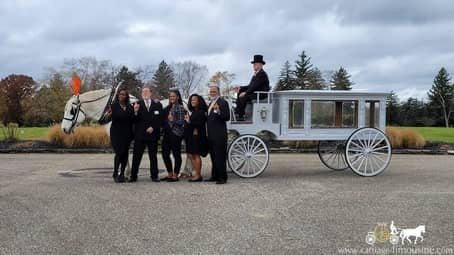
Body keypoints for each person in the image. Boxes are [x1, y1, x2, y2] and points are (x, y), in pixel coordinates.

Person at [130, 86, 163, 183]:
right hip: (140, 135)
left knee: (153, 156)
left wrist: (153, 127)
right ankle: (133, 176)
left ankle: (154, 176)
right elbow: (133, 121)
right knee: (137, 156)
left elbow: (160, 119)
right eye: (143, 92)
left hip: (153, 135)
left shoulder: (157, 104)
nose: (144, 93)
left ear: (150, 93)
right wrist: (135, 111)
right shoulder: (136, 104)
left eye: (146, 91)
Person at [107, 88, 134, 183]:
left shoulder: (130, 107)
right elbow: (107, 118)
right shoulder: (113, 106)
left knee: (125, 154)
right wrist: (109, 115)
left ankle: (122, 174)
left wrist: (136, 112)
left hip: (127, 134)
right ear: (118, 96)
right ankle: (115, 173)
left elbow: (133, 120)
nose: (121, 96)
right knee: (119, 153)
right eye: (120, 94)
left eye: (123, 94)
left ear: (126, 96)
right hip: (116, 133)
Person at [206, 84, 230, 184]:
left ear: (218, 92)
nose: (212, 93)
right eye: (211, 92)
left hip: (219, 135)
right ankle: (214, 175)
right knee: (213, 157)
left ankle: (222, 178)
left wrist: (219, 111)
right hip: (211, 135)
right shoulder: (211, 103)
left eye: (214, 92)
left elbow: (227, 117)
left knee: (220, 157)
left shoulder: (223, 102)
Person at [234, 54, 270, 121]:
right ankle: (238, 113)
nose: (253, 66)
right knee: (240, 92)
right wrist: (240, 88)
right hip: (255, 93)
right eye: (253, 64)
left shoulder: (262, 74)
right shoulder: (256, 74)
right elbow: (250, 86)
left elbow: (254, 86)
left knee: (244, 96)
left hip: (261, 95)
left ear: (260, 65)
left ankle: (240, 115)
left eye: (255, 64)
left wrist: (245, 93)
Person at [161, 89, 186, 182]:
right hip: (167, 134)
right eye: (170, 96)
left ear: (177, 97)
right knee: (165, 154)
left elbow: (181, 122)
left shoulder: (179, 107)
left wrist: (172, 120)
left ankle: (175, 175)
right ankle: (170, 173)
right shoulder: (169, 107)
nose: (172, 98)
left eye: (173, 96)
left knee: (176, 155)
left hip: (175, 134)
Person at [184, 94, 208, 182]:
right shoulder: (195, 111)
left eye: (194, 100)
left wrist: (189, 121)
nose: (192, 101)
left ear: (199, 101)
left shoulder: (201, 111)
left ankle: (198, 175)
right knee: (191, 155)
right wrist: (188, 121)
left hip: (197, 136)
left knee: (196, 155)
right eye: (191, 100)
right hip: (192, 136)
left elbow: (199, 124)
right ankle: (196, 173)